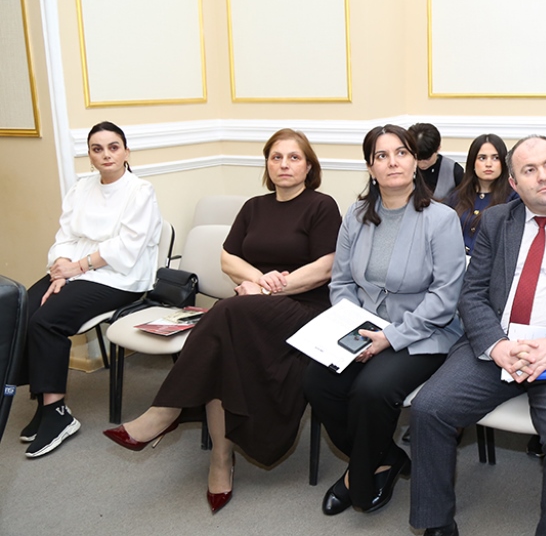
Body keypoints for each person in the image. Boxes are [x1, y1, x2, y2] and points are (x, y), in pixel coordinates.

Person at [103, 129, 342, 514]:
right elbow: (228, 258)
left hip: (303, 309)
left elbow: (326, 267)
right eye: (276, 157)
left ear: (309, 167)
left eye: (294, 157)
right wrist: (256, 281)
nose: (284, 164)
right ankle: (220, 457)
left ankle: (166, 412)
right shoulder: (254, 207)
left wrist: (267, 290)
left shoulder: (321, 206)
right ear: (267, 164)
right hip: (250, 309)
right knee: (224, 347)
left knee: (225, 314)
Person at [409, 135, 546, 536]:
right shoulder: (497, 220)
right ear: (513, 182)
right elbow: (473, 293)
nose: (542, 176)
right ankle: (436, 524)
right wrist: (496, 345)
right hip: (501, 344)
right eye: (529, 170)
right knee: (429, 408)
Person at [304, 125, 465, 516]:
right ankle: (385, 457)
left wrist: (390, 337)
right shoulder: (356, 215)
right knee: (315, 381)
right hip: (362, 328)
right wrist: (353, 328)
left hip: (424, 332)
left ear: (415, 162)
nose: (393, 162)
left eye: (401, 153)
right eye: (382, 155)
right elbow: (342, 281)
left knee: (371, 390)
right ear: (370, 167)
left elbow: (444, 298)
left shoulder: (441, 219)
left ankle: (357, 480)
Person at [17, 122, 162, 458]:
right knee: (25, 308)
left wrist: (77, 268)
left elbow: (127, 247)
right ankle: (43, 403)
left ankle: (57, 414)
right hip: (75, 270)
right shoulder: (81, 188)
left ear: (126, 152)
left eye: (113, 147)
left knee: (47, 321)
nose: (106, 155)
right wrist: (60, 269)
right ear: (90, 156)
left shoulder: (140, 191)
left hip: (120, 278)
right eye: (97, 149)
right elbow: (65, 236)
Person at [443, 134, 517, 255]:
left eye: (495, 158)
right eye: (482, 158)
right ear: (473, 162)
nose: (488, 164)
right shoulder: (457, 196)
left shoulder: (513, 199)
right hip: (456, 261)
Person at [409, 122, 464, 199]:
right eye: (416, 159)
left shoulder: (454, 171)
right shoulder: (401, 168)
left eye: (427, 159)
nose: (421, 164)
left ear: (438, 148)